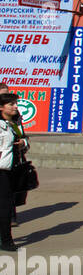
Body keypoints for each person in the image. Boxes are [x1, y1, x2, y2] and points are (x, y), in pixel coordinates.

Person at [1, 93, 22, 251]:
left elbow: (24, 139)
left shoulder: (13, 124)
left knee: (7, 205)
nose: (15, 107)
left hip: (10, 169)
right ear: (1, 108)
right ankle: (7, 240)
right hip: (1, 169)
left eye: (15, 104)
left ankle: (6, 239)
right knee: (5, 206)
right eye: (11, 104)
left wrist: (23, 142)